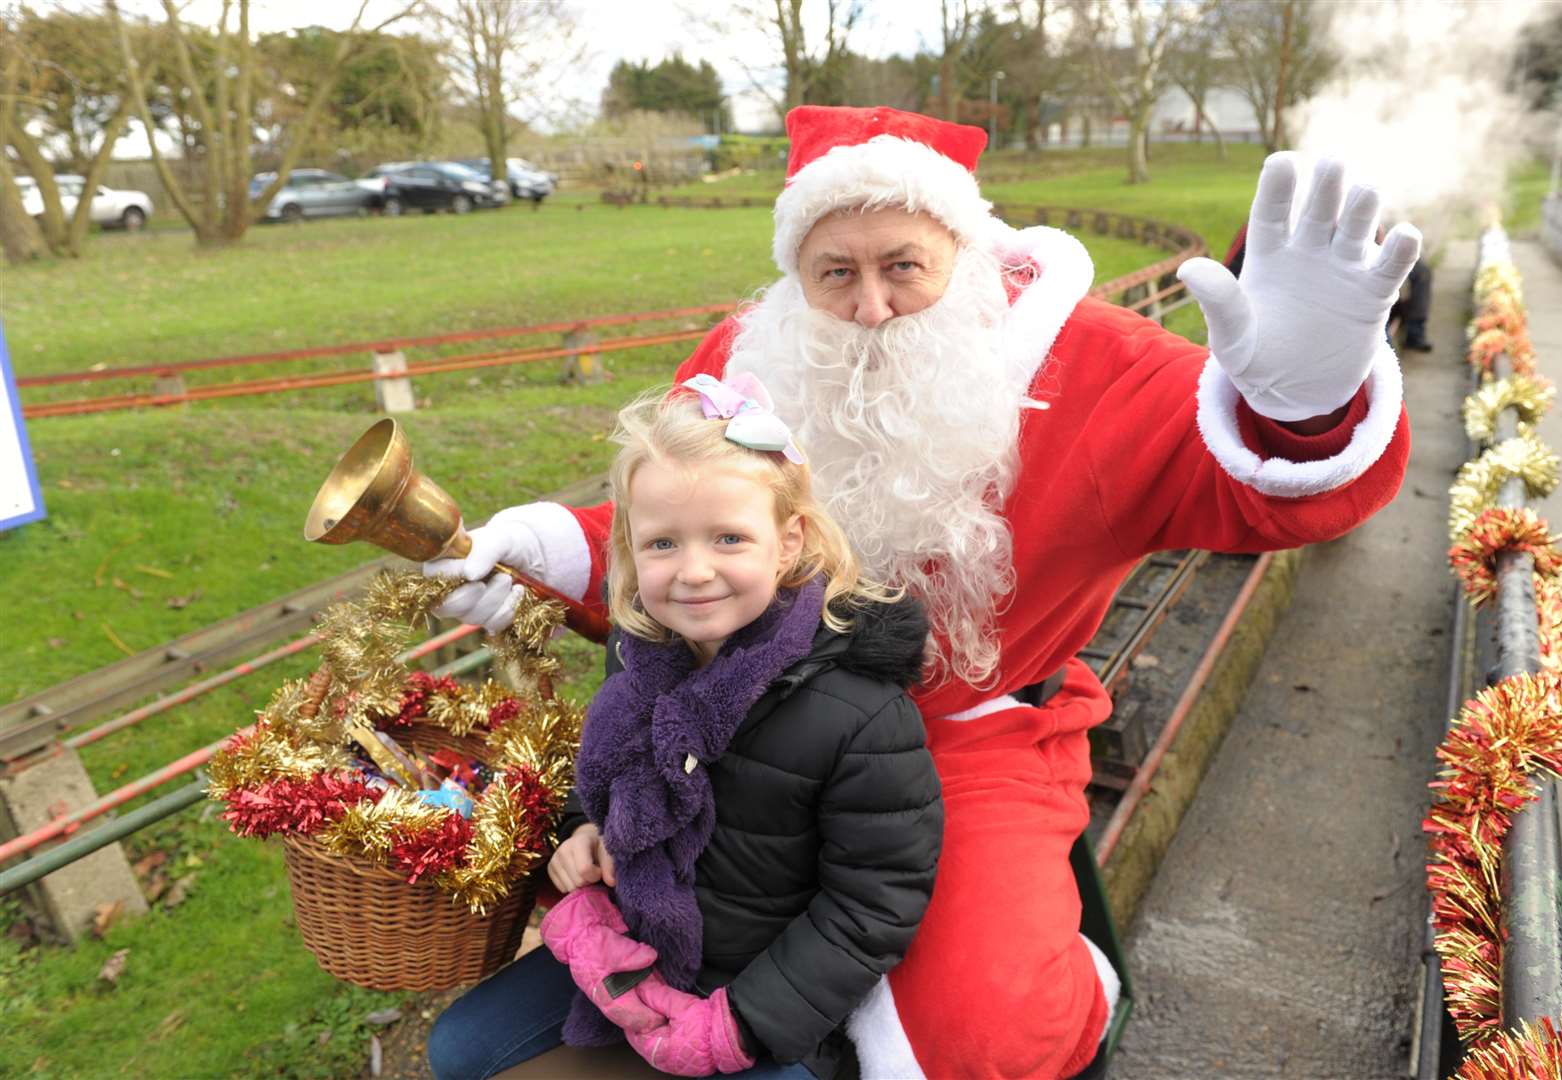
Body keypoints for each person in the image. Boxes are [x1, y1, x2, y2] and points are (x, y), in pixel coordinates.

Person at [429, 106, 1421, 1077]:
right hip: (752, 728)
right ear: (796, 276)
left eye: (902, 265)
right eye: (836, 273)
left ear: (964, 254)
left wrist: (1302, 406)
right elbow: (680, 530)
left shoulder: (1096, 361)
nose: (869, 307)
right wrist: (540, 549)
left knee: (986, 1036)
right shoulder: (755, 360)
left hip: (971, 737)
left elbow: (1268, 503)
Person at [426, 377, 944, 1080]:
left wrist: (745, 1021)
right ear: (632, 553)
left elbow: (873, 900)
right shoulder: (640, 658)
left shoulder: (859, 713)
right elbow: (601, 779)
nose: (694, 572)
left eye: (728, 538)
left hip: (764, 993)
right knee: (460, 1049)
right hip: (637, 947)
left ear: (788, 542)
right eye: (663, 543)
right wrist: (582, 831)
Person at [1225, 220, 1434, 351]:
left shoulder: (1365, 222)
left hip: (1354, 311)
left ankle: (1414, 333)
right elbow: (1231, 276)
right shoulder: (1262, 225)